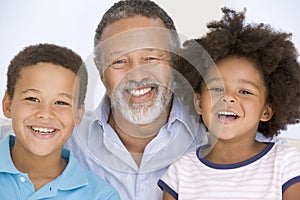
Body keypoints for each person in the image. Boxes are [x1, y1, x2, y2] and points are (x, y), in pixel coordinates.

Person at [64, 0, 206, 199]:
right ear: (99, 69)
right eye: (119, 61)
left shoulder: (214, 136)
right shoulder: (66, 140)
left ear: (175, 62)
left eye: (151, 58)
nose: (137, 77)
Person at [158, 8, 300, 199]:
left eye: (245, 91)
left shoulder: (286, 164)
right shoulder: (181, 172)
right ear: (199, 103)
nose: (228, 98)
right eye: (217, 89)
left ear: (266, 111)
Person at [0, 43, 120, 199]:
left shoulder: (101, 196)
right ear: (8, 105)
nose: (45, 113)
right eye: (32, 99)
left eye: (61, 102)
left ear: (78, 115)